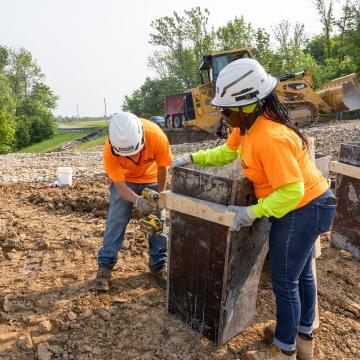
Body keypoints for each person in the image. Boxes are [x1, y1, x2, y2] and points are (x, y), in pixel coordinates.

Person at [171, 59, 337, 360]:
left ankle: (284, 350)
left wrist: (250, 213)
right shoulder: (248, 126)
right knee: (300, 277)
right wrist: (193, 157)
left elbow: (291, 191)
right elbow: (227, 152)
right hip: (307, 204)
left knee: (286, 281)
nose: (222, 114)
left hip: (302, 208)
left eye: (226, 109)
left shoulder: (270, 137)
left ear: (247, 105)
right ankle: (302, 340)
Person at [95, 112, 173, 291]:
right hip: (125, 180)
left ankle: (158, 266)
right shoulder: (109, 148)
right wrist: (137, 200)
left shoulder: (156, 136)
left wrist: (160, 196)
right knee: (116, 220)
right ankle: (105, 267)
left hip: (152, 177)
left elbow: (163, 167)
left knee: (157, 221)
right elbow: (120, 187)